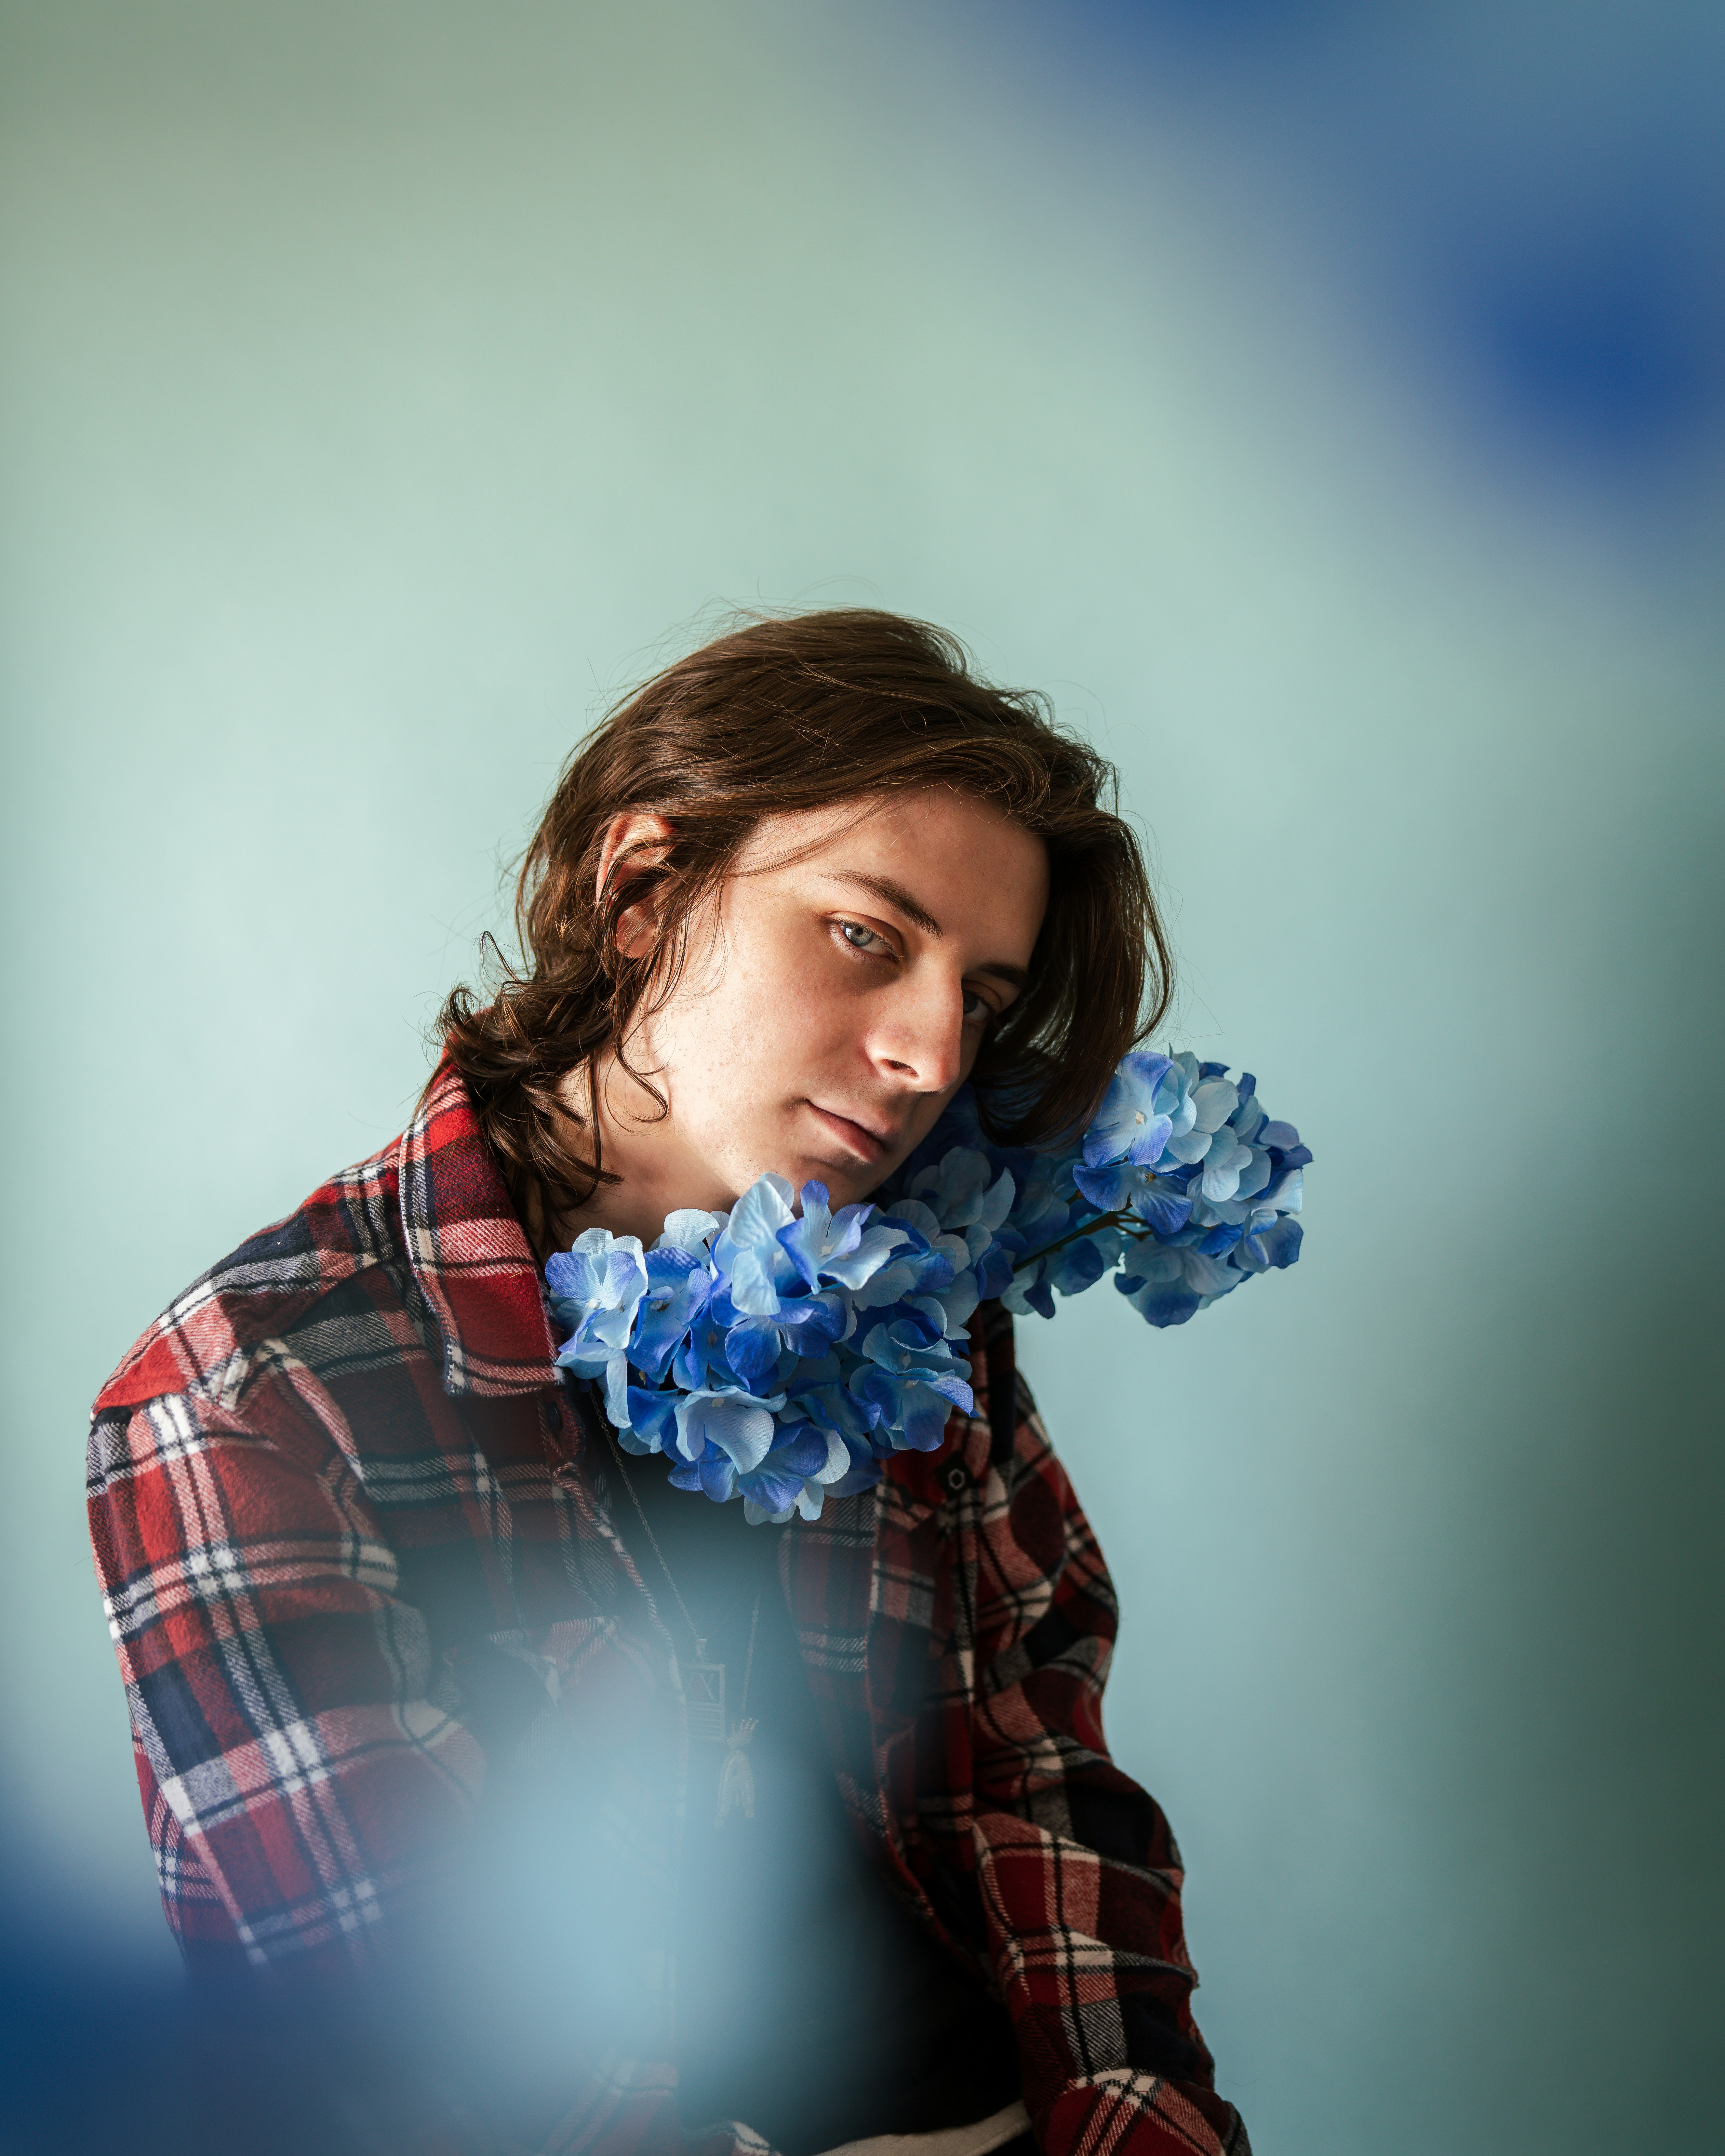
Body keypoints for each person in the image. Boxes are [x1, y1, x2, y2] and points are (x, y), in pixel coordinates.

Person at [87, 610, 1252, 2156]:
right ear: (640, 887)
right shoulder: (249, 1396)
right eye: (866, 933)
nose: (927, 1051)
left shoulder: (909, 1301)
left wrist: (1135, 2124)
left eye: (979, 993)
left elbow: (1035, 1759)